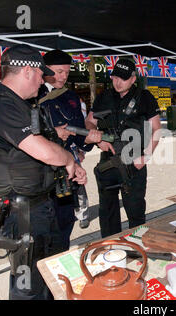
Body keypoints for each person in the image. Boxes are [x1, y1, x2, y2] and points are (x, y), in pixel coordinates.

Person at [0, 44, 87, 300]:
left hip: (39, 207)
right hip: (22, 214)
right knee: (28, 287)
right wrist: (67, 159)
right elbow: (43, 150)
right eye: (42, 74)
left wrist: (70, 166)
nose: (43, 80)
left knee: (48, 276)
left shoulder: (19, 105)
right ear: (28, 71)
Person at [85, 58, 161, 238]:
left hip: (134, 163)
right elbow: (89, 121)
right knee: (108, 212)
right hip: (108, 162)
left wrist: (146, 157)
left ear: (133, 79)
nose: (118, 82)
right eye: (115, 77)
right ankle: (111, 249)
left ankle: (136, 250)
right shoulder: (103, 97)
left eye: (123, 78)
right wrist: (97, 138)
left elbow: (157, 129)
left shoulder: (145, 98)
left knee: (135, 212)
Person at [39, 49, 103, 249]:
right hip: (40, 173)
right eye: (59, 72)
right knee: (42, 231)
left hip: (67, 174)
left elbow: (80, 132)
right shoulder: (31, 93)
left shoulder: (71, 97)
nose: (64, 76)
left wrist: (90, 139)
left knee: (65, 223)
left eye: (66, 72)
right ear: (44, 69)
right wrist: (52, 133)